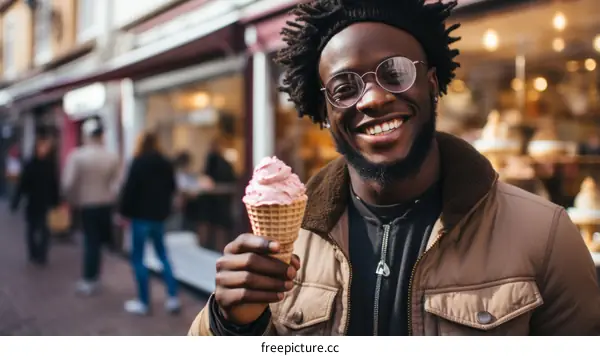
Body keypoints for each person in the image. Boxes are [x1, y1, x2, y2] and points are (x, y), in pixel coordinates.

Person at [188, 0, 600, 336]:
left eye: (396, 73)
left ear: (433, 84)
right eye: (344, 87)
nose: (371, 99)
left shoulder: (544, 235)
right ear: (326, 111)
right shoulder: (290, 245)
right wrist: (229, 324)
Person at [118, 132, 181, 315]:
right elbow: (172, 188)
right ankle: (173, 297)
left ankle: (144, 301)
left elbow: (129, 190)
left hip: (140, 218)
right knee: (163, 256)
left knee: (138, 259)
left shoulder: (138, 162)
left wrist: (123, 213)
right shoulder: (165, 163)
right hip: (158, 218)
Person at [62, 117, 121, 296]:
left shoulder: (77, 156)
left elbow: (68, 183)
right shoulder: (111, 157)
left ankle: (89, 278)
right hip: (105, 203)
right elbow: (117, 184)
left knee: (90, 242)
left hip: (87, 204)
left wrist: (72, 199)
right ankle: (95, 276)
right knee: (99, 242)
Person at [10, 129, 60, 266]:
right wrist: (16, 201)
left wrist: (56, 201)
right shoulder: (30, 164)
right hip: (32, 202)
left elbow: (54, 184)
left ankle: (42, 255)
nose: (43, 150)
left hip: (45, 202)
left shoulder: (50, 165)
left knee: (44, 229)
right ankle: (33, 253)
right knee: (32, 229)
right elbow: (22, 184)